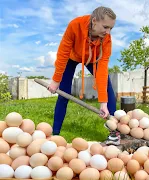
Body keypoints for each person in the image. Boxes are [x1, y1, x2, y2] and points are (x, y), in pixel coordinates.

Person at [47, 6, 120, 145]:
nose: (108, 32)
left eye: (111, 28)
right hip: (71, 57)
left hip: (93, 59)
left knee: (108, 89)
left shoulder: (106, 39)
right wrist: (56, 81)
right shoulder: (75, 25)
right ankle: (55, 134)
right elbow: (62, 54)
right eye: (105, 27)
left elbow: (103, 69)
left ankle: (114, 134)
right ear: (94, 21)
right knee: (63, 93)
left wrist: (103, 103)